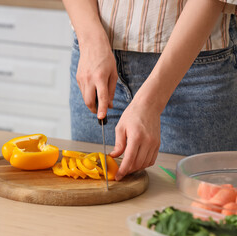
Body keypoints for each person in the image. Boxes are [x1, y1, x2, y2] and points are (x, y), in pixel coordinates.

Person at [63, 0, 237, 181]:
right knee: (89, 201)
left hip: (194, 65)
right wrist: (90, 41)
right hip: (93, 56)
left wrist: (151, 103)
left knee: (195, 203)